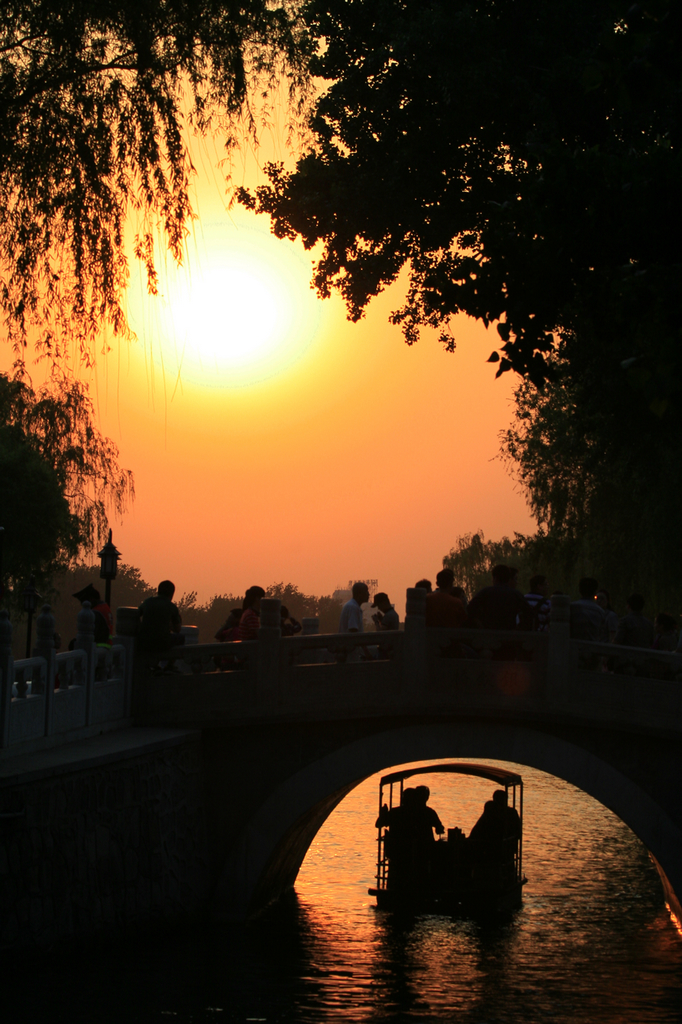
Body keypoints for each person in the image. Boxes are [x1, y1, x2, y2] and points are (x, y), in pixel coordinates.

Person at [467, 564, 533, 631]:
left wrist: (479, 624)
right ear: (508, 579)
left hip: (489, 632)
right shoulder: (516, 594)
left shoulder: (485, 592)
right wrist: (520, 628)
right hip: (509, 633)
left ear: (495, 578)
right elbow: (529, 613)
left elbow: (470, 608)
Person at [137, 580, 184, 653]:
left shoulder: (147, 602)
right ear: (172, 594)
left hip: (144, 640)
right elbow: (177, 629)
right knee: (181, 637)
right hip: (162, 642)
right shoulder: (171, 607)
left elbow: (135, 614)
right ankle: (171, 660)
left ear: (158, 591)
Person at [569, 577, 608, 641]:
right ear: (595, 592)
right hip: (592, 645)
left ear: (579, 590)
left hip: (573, 644)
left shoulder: (571, 608)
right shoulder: (600, 611)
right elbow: (601, 633)